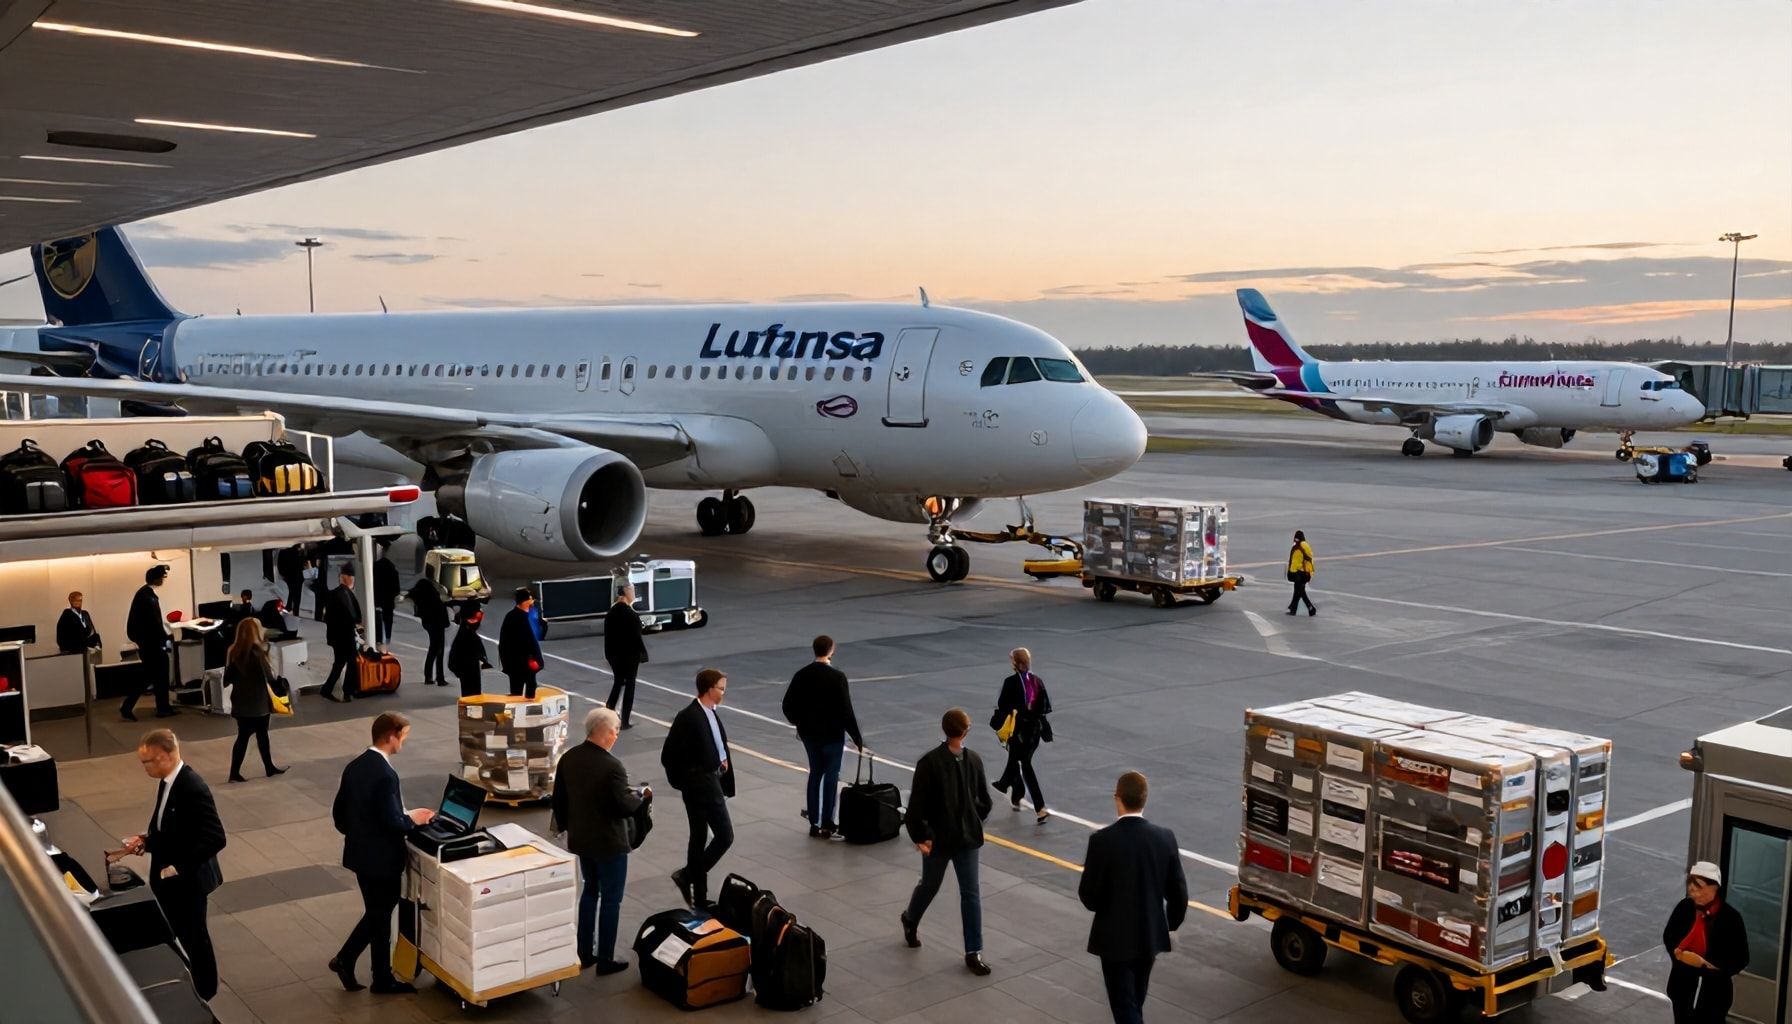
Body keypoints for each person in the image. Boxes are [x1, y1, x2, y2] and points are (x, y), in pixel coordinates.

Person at [113, 729, 225, 1007]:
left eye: (146, 762)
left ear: (163, 757)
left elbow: (215, 837)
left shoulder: (192, 788)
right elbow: (171, 829)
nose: (144, 768)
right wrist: (146, 841)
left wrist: (178, 867)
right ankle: (187, 984)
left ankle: (205, 992)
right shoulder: (168, 782)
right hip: (170, 881)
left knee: (194, 937)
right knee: (178, 932)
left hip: (187, 882)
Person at [329, 712, 436, 994]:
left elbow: (340, 814)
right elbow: (392, 823)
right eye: (403, 736)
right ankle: (347, 959)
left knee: (378, 912)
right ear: (391, 736)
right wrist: (414, 820)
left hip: (359, 854)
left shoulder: (355, 766)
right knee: (380, 912)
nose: (404, 742)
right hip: (381, 859)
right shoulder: (386, 775)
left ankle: (380, 976)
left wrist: (359, 833)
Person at [1078, 772, 1188, 1024]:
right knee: (1135, 1000)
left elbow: (1089, 897)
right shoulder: (1164, 837)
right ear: (1144, 799)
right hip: (1149, 936)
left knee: (1125, 1007)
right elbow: (1179, 893)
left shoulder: (1101, 841)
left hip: (1113, 941)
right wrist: (1171, 925)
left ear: (1117, 798)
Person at [551, 707, 649, 975]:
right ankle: (605, 958)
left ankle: (584, 951)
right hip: (609, 843)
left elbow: (559, 799)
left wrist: (568, 827)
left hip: (582, 839)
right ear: (604, 733)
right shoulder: (612, 766)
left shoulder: (569, 758)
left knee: (590, 891)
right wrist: (639, 797)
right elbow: (622, 806)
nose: (616, 735)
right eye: (615, 731)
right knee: (611, 899)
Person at [900, 707, 994, 976]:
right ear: (965, 732)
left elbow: (916, 806)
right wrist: (973, 820)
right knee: (968, 893)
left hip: (939, 839)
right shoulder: (973, 760)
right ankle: (973, 951)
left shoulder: (929, 762)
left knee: (933, 885)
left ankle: (912, 919)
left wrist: (921, 836)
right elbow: (984, 801)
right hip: (963, 837)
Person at [661, 668, 734, 910]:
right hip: (702, 784)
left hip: (709, 780)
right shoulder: (689, 717)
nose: (724, 693)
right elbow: (668, 755)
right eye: (721, 688)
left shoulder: (710, 712)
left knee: (699, 837)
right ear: (709, 689)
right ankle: (688, 875)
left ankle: (699, 897)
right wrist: (688, 780)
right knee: (725, 836)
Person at [782, 635, 865, 839]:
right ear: (831, 650)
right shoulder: (837, 677)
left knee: (815, 773)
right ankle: (827, 822)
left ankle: (814, 821)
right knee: (831, 775)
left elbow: (787, 705)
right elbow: (846, 710)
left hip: (810, 735)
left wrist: (800, 723)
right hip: (832, 735)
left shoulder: (802, 675)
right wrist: (856, 737)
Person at [1663, 860, 1749, 1023]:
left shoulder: (1731, 918)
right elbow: (1669, 936)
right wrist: (1680, 956)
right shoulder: (1685, 908)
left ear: (1714, 887)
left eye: (1699, 887)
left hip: (1714, 994)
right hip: (1682, 985)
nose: (1694, 893)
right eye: (1691, 887)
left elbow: (1741, 958)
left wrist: (1708, 966)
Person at [992, 647, 1053, 825]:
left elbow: (1003, 705)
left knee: (1022, 763)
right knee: (1020, 761)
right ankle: (1015, 793)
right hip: (1034, 732)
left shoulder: (1011, 682)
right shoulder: (1037, 681)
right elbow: (1044, 707)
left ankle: (1035, 805)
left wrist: (997, 722)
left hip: (1018, 730)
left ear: (1015, 663)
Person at [223, 617, 286, 782]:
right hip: (259, 703)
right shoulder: (259, 653)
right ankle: (269, 767)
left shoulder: (233, 651)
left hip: (240, 702)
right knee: (262, 736)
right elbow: (270, 678)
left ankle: (234, 772)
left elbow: (227, 680)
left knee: (242, 737)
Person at [124, 565, 175, 721]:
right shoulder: (148, 597)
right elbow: (154, 622)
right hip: (151, 644)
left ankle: (163, 707)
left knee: (153, 675)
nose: (163, 580)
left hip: (148, 643)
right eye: (162, 577)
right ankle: (129, 707)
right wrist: (165, 638)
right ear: (156, 578)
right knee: (154, 675)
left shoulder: (144, 594)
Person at [603, 582, 647, 730]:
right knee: (630, 684)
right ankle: (625, 720)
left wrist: (609, 655)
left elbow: (608, 637)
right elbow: (637, 637)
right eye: (632, 591)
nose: (634, 594)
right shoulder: (631, 615)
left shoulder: (611, 613)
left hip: (614, 655)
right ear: (626, 593)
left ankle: (608, 713)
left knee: (618, 682)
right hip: (630, 655)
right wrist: (642, 654)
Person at [320, 564, 362, 703]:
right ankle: (347, 691)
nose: (353, 581)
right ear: (345, 578)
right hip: (343, 636)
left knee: (340, 663)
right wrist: (356, 625)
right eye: (351, 578)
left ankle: (327, 689)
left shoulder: (339, 593)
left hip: (338, 636)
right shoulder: (342, 594)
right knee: (351, 662)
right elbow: (349, 615)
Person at [500, 587, 544, 698]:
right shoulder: (518, 618)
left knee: (522, 688)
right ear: (525, 601)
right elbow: (526, 642)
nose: (532, 601)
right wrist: (533, 658)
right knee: (525, 688)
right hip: (521, 662)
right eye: (530, 599)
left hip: (518, 663)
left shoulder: (515, 616)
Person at [407, 575, 450, 686]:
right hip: (438, 624)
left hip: (430, 624)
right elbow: (441, 609)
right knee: (438, 650)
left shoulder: (421, 599)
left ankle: (429, 676)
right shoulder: (433, 598)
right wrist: (445, 623)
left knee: (433, 649)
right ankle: (439, 677)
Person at [447, 600, 489, 697]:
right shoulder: (467, 635)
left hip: (468, 668)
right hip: (468, 668)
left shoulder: (465, 633)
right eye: (477, 615)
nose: (480, 618)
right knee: (471, 694)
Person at [56, 590, 101, 655]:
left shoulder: (85, 614)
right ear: (71, 601)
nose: (79, 603)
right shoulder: (67, 614)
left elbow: (92, 630)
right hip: (74, 649)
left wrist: (95, 643)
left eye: (80, 600)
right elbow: (64, 636)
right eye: (76, 600)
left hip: (88, 648)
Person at [373, 544, 400, 649]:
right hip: (388, 600)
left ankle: (378, 640)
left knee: (377, 619)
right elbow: (397, 589)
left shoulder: (375, 567)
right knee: (388, 620)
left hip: (377, 599)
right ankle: (388, 639)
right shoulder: (393, 570)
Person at [1286, 530, 1316, 616]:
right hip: (1306, 572)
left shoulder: (1296, 546)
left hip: (1299, 572)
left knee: (1301, 591)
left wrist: (1291, 572)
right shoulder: (1306, 545)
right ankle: (1293, 608)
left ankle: (1311, 608)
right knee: (1297, 590)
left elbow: (1295, 561)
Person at [276, 544, 307, 618]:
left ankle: (289, 607)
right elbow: (302, 563)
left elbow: (280, 565)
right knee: (297, 594)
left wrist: (284, 574)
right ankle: (295, 610)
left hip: (289, 576)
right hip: (297, 576)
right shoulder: (297, 552)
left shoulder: (283, 552)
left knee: (290, 592)